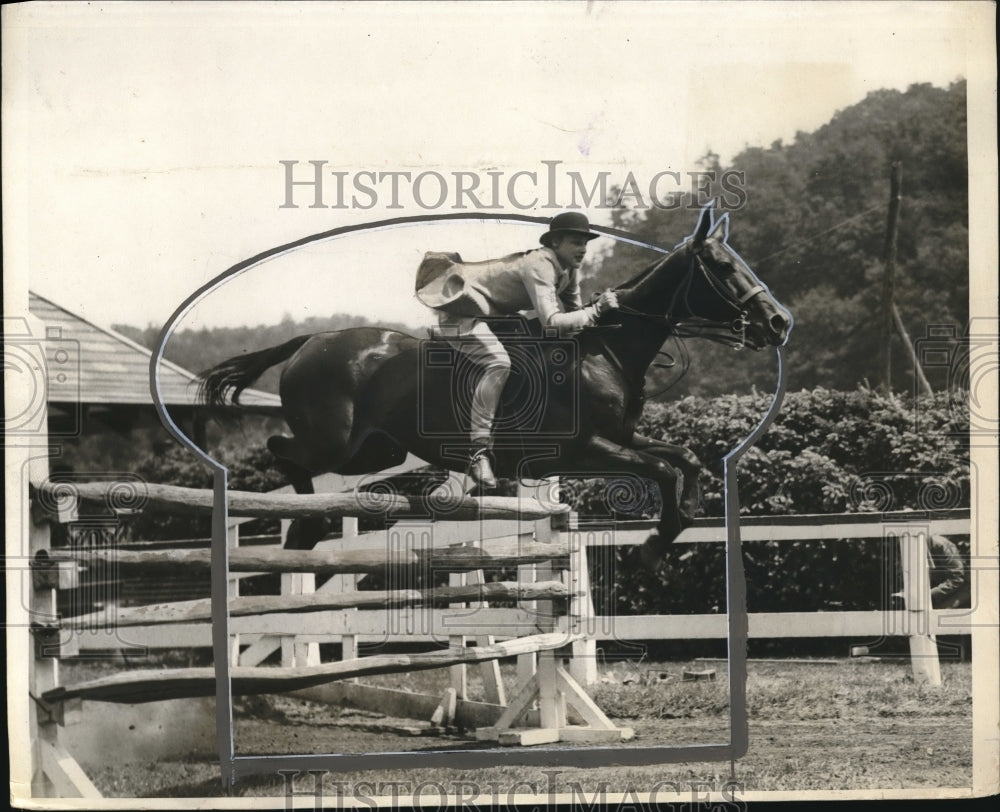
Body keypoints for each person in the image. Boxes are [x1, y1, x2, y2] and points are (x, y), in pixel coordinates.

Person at [415, 212, 619, 491]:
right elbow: (554, 322)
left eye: (585, 242)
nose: (583, 249)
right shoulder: (540, 264)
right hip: (459, 317)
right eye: (576, 242)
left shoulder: (569, 269)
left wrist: (599, 318)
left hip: (494, 317)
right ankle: (478, 453)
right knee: (499, 364)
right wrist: (596, 311)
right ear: (556, 242)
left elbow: (575, 319)